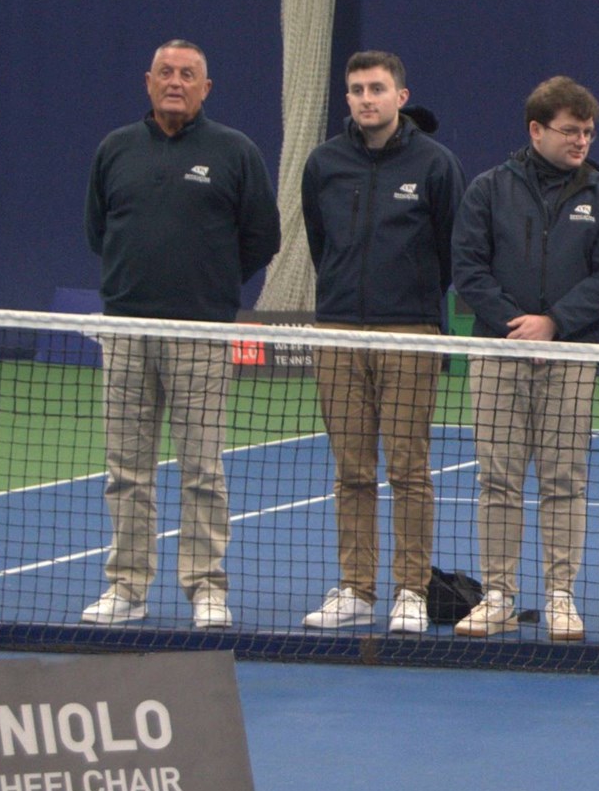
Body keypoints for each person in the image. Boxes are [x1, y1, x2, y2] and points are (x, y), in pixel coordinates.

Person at [81, 40, 281, 629]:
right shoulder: (115, 150)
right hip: (125, 329)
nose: (175, 82)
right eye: (165, 73)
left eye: (187, 74)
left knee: (202, 469)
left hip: (200, 332)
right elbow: (99, 232)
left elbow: (261, 238)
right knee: (126, 468)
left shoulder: (234, 152)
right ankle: (127, 586)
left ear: (206, 88)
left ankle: (206, 587)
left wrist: (212, 286)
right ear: (148, 82)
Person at [450, 76, 599, 641]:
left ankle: (560, 596)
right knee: (497, 480)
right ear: (536, 130)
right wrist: (516, 326)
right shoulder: (487, 189)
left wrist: (554, 324)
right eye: (570, 131)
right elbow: (469, 269)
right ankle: (498, 595)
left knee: (563, 480)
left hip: (571, 355)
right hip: (498, 353)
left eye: (588, 132)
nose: (582, 141)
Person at [298, 51, 466, 635]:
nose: (366, 98)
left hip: (411, 333)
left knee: (409, 470)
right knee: (351, 472)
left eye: (377, 88)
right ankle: (357, 587)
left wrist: (415, 312)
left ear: (401, 95)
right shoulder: (323, 164)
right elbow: (322, 244)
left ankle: (412, 591)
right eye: (356, 89)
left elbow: (450, 251)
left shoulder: (436, 164)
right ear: (347, 98)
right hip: (338, 333)